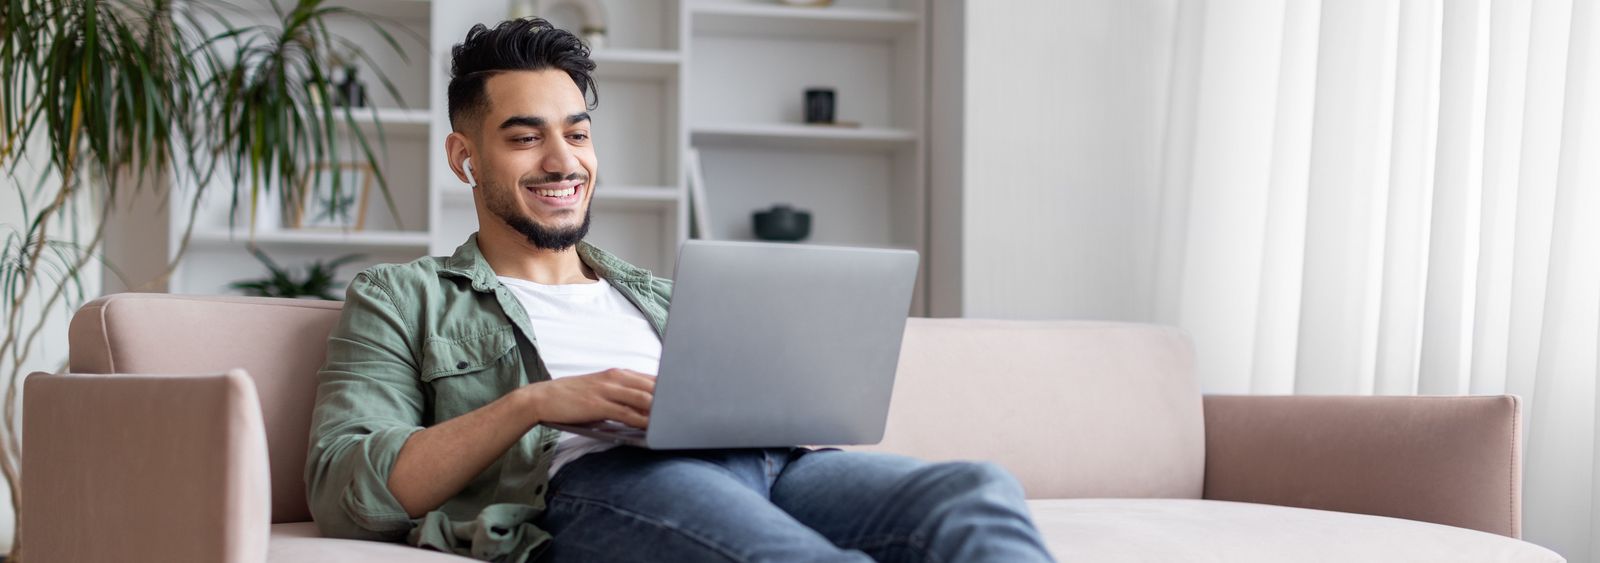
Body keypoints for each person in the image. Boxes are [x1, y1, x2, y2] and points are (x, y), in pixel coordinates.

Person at [304, 17, 1055, 563]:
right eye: (526, 136)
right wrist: (536, 402)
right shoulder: (401, 296)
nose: (564, 160)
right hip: (603, 477)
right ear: (465, 157)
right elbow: (344, 488)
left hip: (773, 463)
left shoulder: (661, 293)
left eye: (579, 132)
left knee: (975, 494)